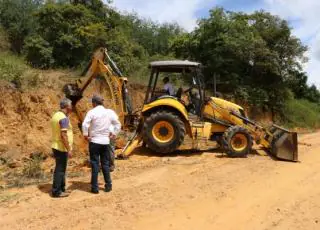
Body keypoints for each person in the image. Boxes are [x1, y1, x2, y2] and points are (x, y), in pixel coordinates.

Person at [82, 94, 121, 194]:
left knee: (95, 164)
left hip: (94, 141)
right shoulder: (109, 112)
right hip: (105, 142)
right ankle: (108, 185)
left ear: (94, 103)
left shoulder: (92, 112)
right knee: (105, 164)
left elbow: (84, 124)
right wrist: (114, 134)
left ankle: (95, 188)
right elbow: (117, 124)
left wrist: (86, 135)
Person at [50, 98, 73, 198]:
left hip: (56, 145)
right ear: (67, 107)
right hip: (61, 147)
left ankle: (62, 189)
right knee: (60, 170)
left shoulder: (56, 115)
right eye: (71, 105)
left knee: (61, 169)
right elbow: (63, 135)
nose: (72, 107)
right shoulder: (63, 118)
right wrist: (69, 149)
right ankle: (56, 191)